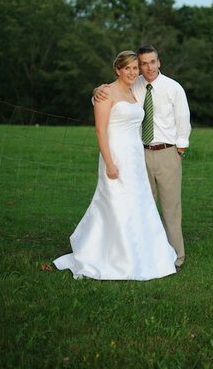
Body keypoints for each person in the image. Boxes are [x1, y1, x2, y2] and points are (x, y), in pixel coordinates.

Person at [54, 51, 178, 280]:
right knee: (114, 202)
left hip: (135, 158)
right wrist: (110, 163)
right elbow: (100, 130)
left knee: (138, 203)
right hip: (116, 156)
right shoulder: (106, 93)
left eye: (135, 68)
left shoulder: (134, 90)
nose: (133, 72)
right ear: (117, 70)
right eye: (127, 68)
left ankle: (142, 252)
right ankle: (115, 256)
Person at [94, 44, 191, 270]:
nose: (148, 68)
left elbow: (183, 120)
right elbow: (110, 97)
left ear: (159, 62)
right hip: (138, 155)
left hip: (167, 152)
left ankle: (176, 257)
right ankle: (145, 252)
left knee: (170, 209)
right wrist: (96, 90)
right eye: (143, 64)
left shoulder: (173, 88)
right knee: (142, 207)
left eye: (152, 62)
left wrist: (179, 152)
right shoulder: (134, 84)